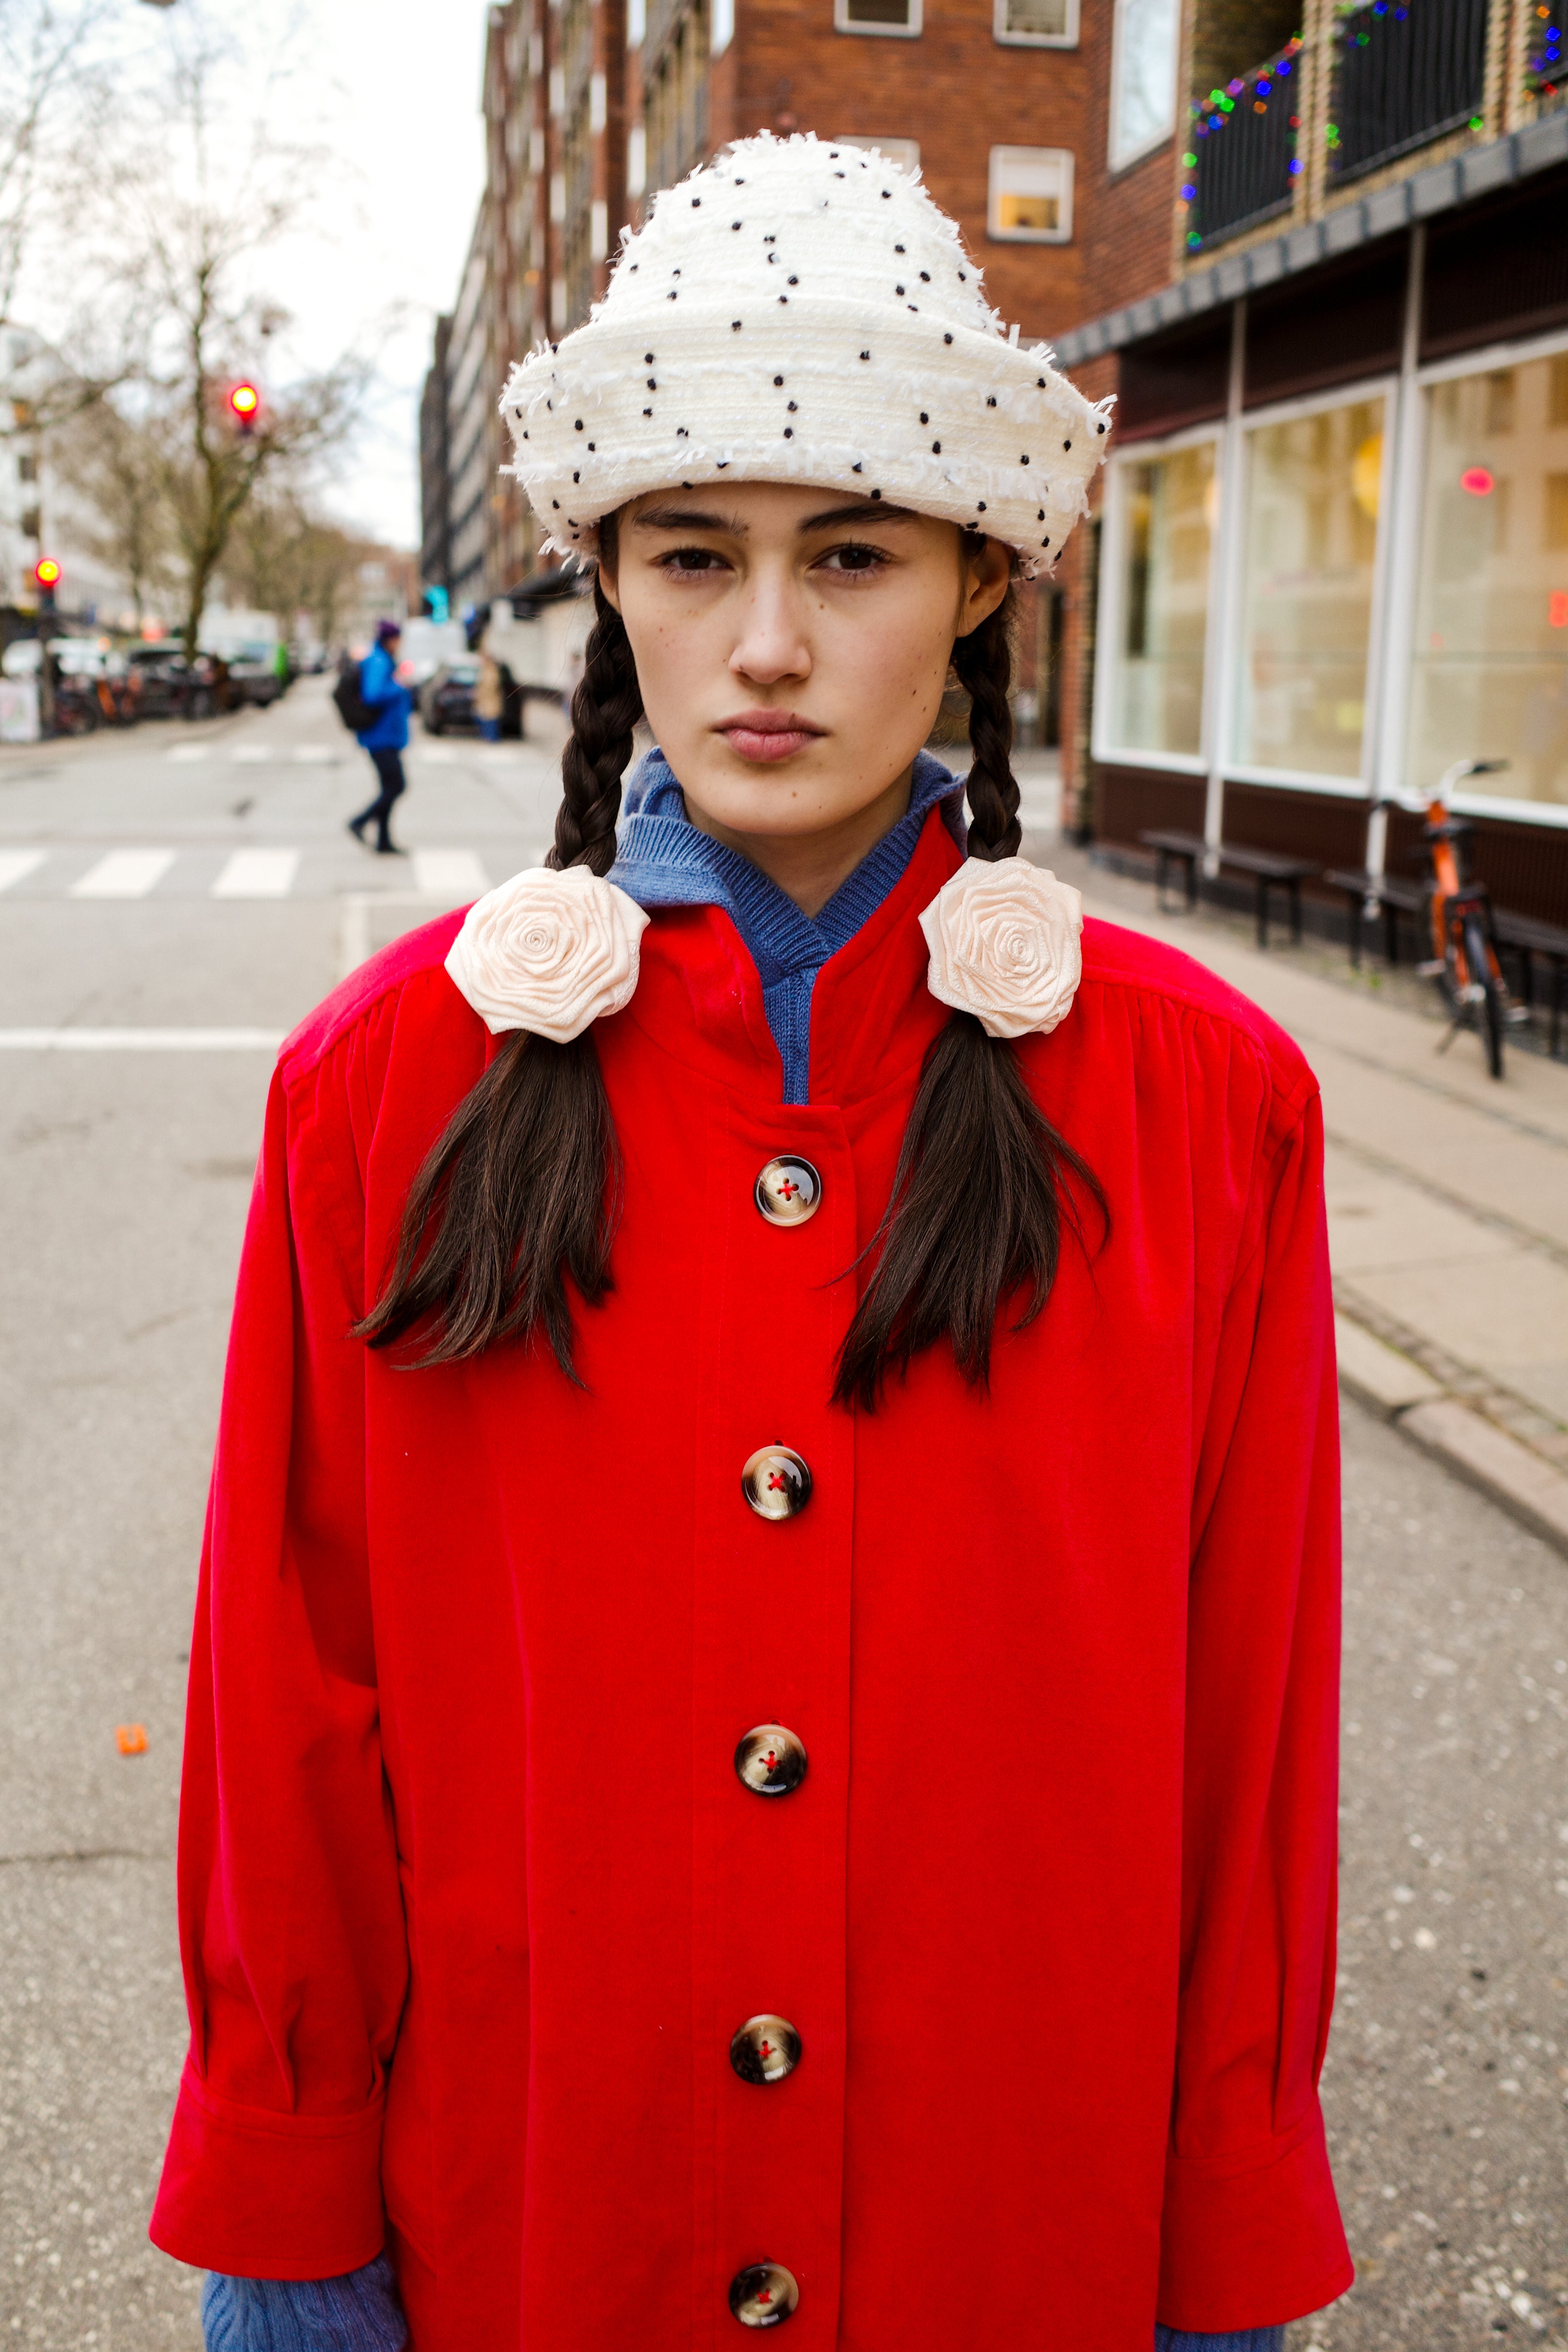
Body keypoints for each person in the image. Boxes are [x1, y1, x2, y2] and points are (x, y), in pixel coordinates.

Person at [152, 138, 1352, 2352]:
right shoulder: (384, 1089)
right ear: (608, 573)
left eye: (855, 555)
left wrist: (1222, 2236)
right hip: (536, 2217)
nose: (770, 645)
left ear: (979, 583)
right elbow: (284, 1710)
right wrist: (291, 2220)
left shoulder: (1200, 1108)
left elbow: (1246, 1738)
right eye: (695, 556)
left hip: (1020, 2222)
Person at [348, 618, 413, 855]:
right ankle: (359, 822)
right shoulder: (379, 661)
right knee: (397, 786)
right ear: (390, 640)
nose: (400, 644)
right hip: (380, 736)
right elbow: (372, 695)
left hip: (386, 735)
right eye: (398, 639)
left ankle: (384, 841)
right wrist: (399, 685)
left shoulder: (382, 659)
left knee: (389, 786)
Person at [475, 647, 504, 741]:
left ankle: (493, 738)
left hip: (491, 699)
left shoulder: (492, 669)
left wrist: (483, 693)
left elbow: (491, 684)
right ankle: (488, 736)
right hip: (485, 699)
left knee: (491, 718)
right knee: (483, 717)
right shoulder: (485, 669)